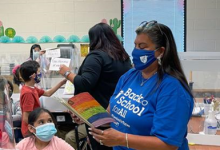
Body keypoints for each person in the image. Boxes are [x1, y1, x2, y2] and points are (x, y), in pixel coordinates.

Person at [89, 20, 194, 150]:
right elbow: (111, 111)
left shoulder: (172, 89)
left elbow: (168, 144)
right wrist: (88, 115)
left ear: (160, 51)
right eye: (135, 45)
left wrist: (122, 139)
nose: (136, 51)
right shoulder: (129, 76)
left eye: (143, 47)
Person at [59, 23, 131, 150]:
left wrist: (66, 73)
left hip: (99, 116)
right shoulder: (123, 57)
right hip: (121, 114)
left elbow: (84, 82)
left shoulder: (96, 56)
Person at [19, 60, 66, 137]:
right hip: (31, 131)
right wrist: (39, 129)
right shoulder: (28, 93)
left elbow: (48, 93)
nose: (40, 74)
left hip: (35, 127)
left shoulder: (32, 88)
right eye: (39, 72)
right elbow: (25, 118)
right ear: (33, 75)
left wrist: (62, 82)